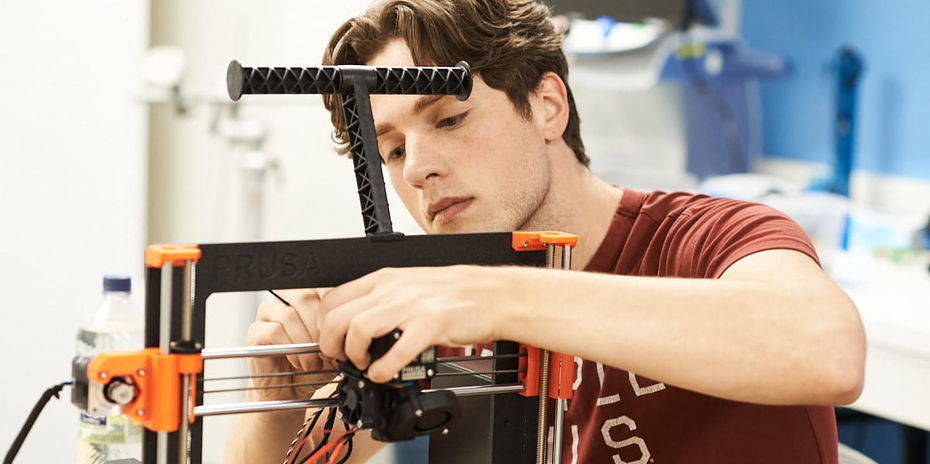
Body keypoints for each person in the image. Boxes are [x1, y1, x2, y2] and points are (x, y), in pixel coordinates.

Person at [226, 1, 866, 463]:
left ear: (547, 106)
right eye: (391, 150)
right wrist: (275, 399)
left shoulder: (706, 237)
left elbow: (827, 349)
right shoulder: (442, 308)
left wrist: (492, 297)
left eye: (449, 119)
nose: (417, 168)